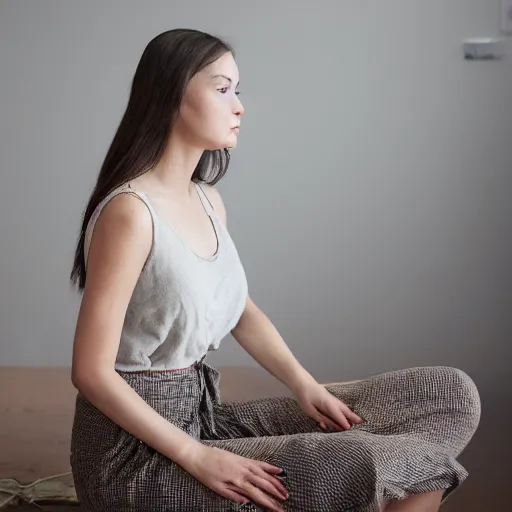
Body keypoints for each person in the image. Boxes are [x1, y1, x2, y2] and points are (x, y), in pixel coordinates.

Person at [69, 28, 481, 512]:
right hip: (135, 457)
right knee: (401, 466)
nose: (239, 106)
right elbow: (90, 372)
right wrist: (196, 456)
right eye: (223, 89)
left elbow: (241, 311)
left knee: (447, 397)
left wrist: (305, 385)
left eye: (237, 90)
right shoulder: (131, 212)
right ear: (171, 95)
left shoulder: (207, 201)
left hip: (203, 418)